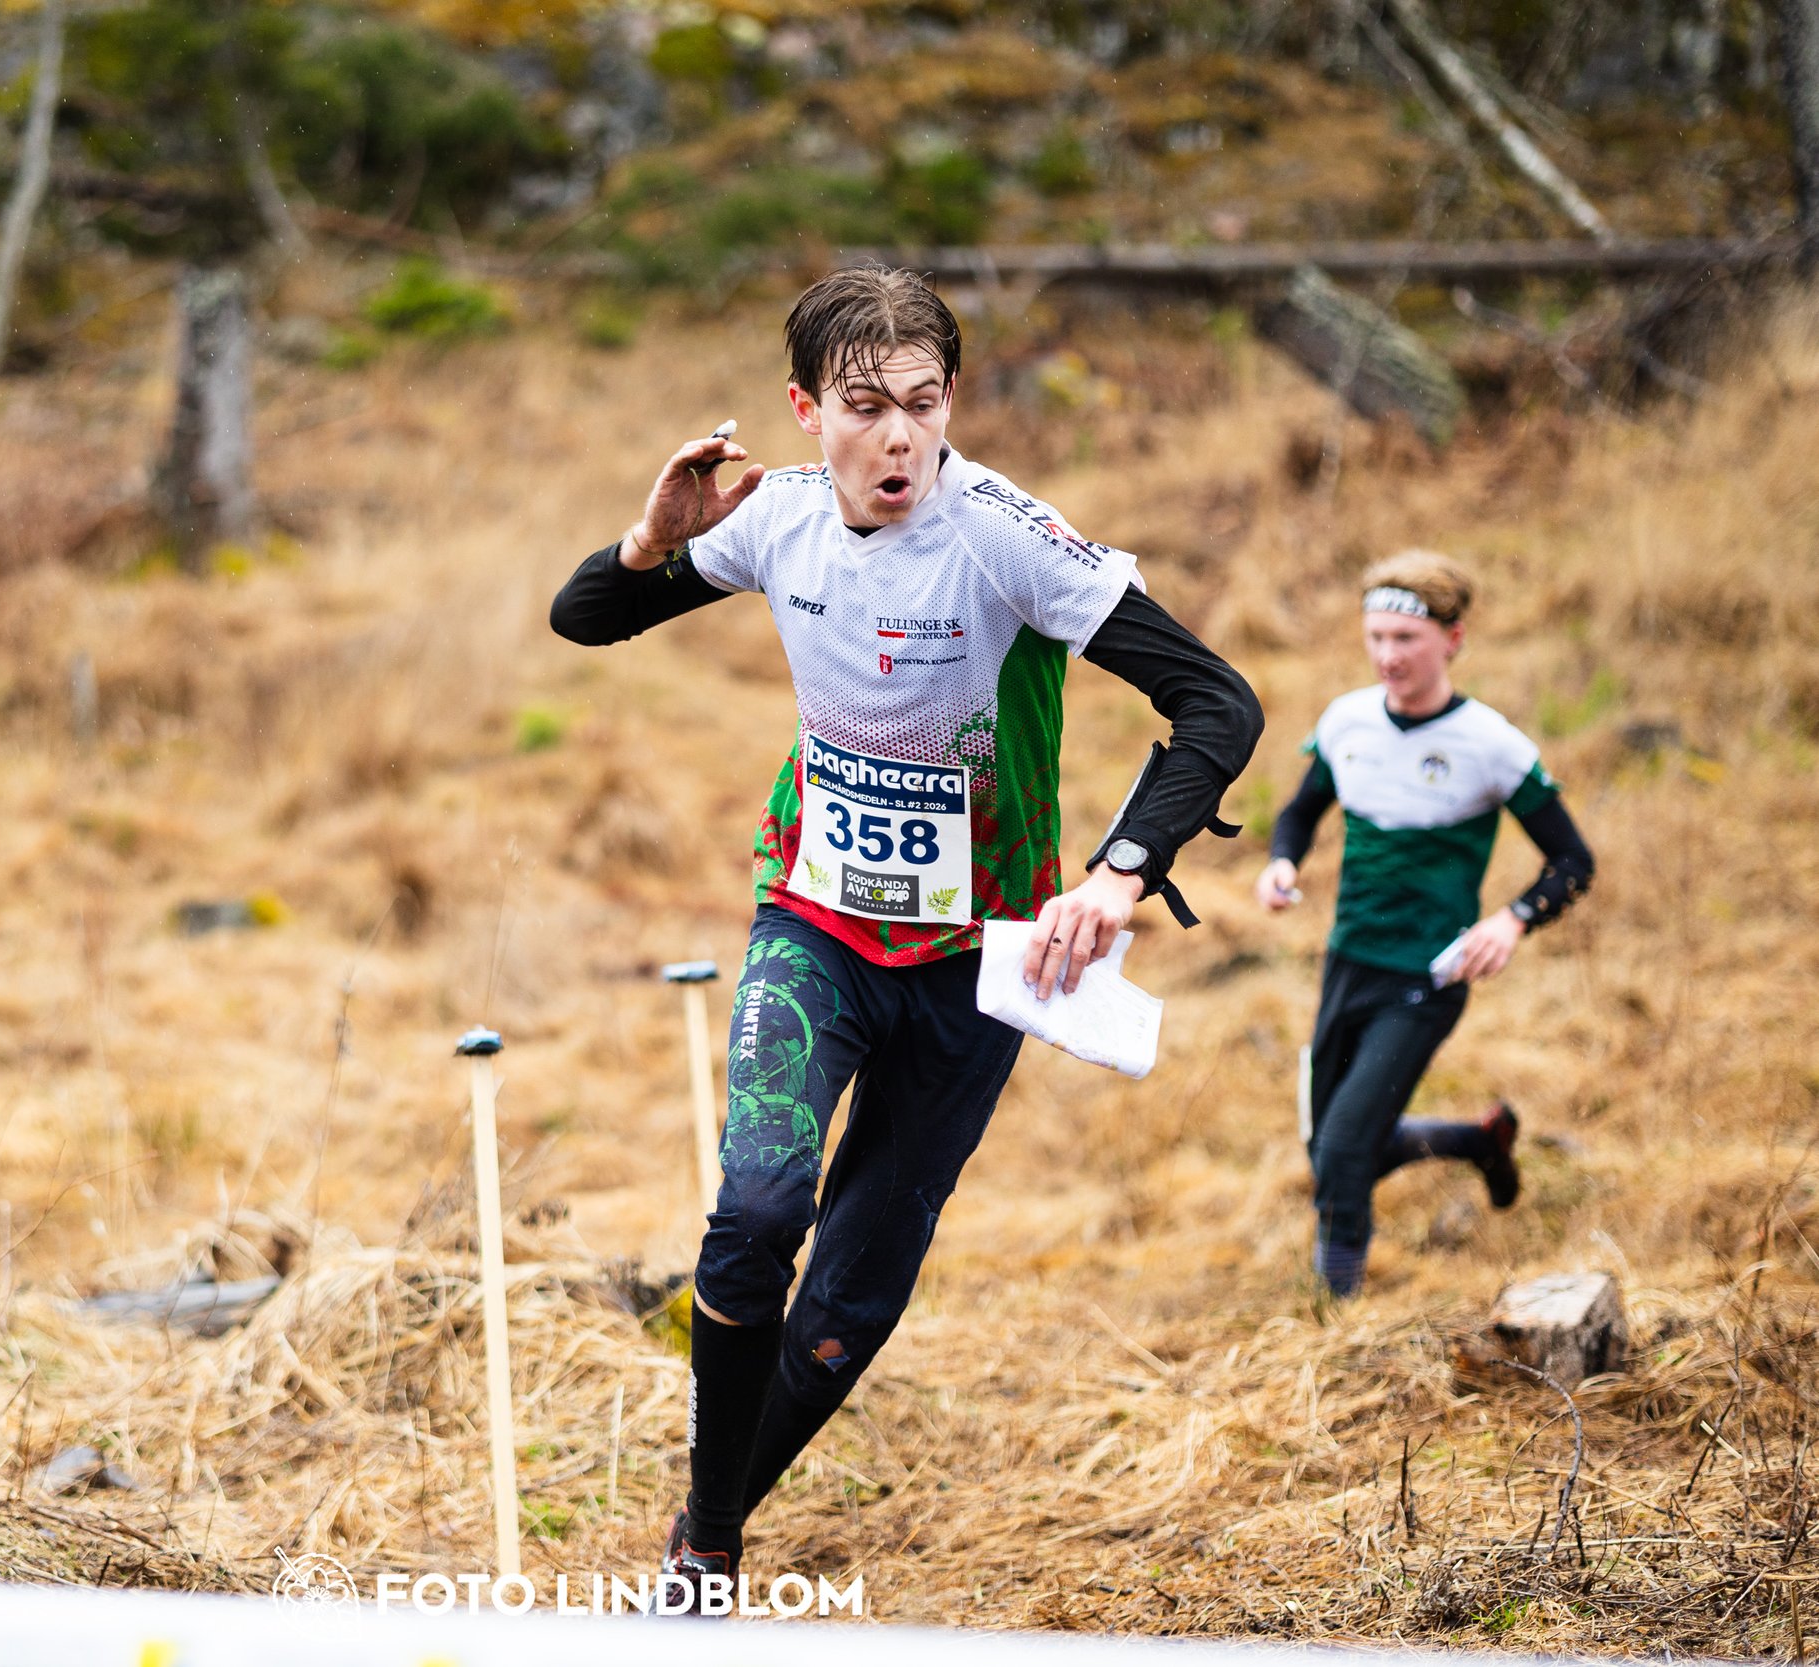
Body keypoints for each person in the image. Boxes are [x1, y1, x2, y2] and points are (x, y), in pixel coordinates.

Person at [548, 266, 1263, 1609]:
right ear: (806, 408)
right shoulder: (780, 520)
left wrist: (1117, 873)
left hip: (975, 967)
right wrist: (652, 543)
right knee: (755, 1212)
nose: (899, 440)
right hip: (812, 919)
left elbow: (1218, 702)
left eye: (924, 406)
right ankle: (706, 1546)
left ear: (951, 403)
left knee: (847, 1307)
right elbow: (585, 617)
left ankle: (700, 1539)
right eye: (865, 407)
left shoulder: (1009, 540)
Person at [1256, 550, 1595, 1300]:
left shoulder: (1491, 743)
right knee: (1333, 1149)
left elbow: (1572, 860)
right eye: (1376, 637)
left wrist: (1511, 921)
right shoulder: (1346, 720)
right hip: (1350, 959)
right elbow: (1301, 810)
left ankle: (1332, 1322)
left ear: (1453, 638)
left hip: (1429, 973)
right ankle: (1478, 1140)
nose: (1387, 656)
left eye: (1405, 639)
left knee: (1342, 1150)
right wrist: (1283, 862)